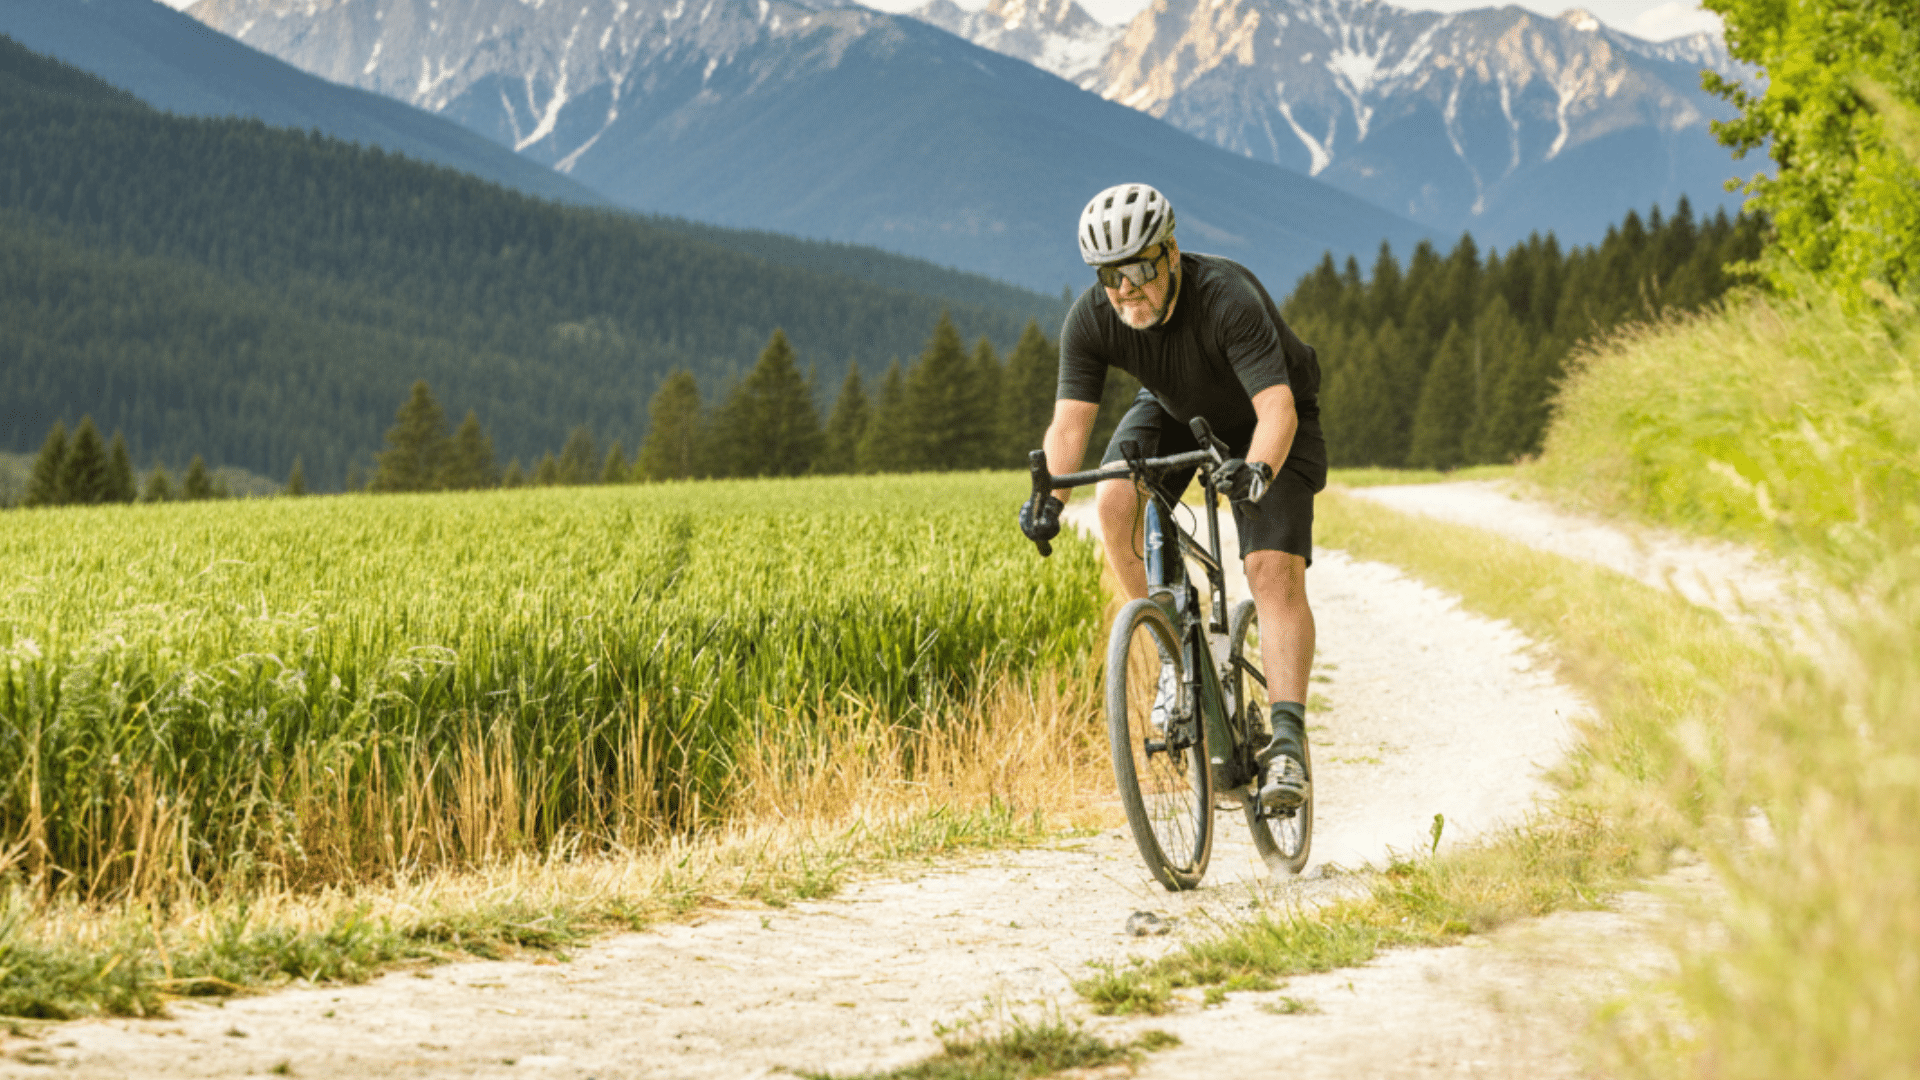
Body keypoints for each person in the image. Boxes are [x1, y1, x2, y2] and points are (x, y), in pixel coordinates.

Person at [1019, 182, 1327, 812]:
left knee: (1270, 570)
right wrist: (1046, 494)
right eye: (1110, 274)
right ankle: (1169, 646)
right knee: (1112, 501)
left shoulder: (1226, 298)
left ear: (1170, 253)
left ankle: (1289, 742)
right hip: (1175, 408)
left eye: (1138, 268)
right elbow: (1071, 424)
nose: (1125, 288)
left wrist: (1257, 472)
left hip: (1272, 424)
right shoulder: (1093, 316)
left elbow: (1277, 408)